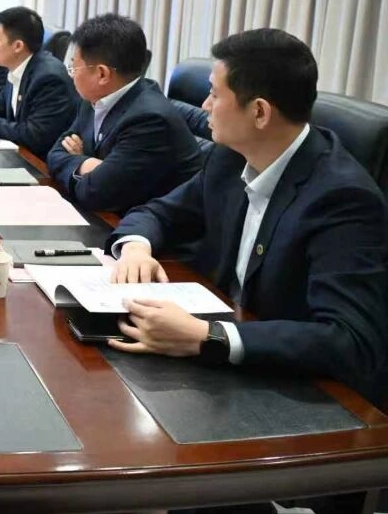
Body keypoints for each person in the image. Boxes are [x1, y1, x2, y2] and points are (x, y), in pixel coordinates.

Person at [108, 28, 388, 408]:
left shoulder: (342, 199)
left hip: (294, 394)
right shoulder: (230, 157)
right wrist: (136, 248)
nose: (204, 105)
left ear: (259, 112)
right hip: (219, 365)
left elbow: (350, 341)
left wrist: (208, 336)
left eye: (214, 94)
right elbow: (159, 211)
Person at [45, 14, 203, 213]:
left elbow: (96, 193)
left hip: (144, 225)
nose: (72, 74)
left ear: (102, 74)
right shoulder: (93, 98)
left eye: (74, 67)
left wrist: (83, 164)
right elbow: (55, 153)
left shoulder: (150, 120)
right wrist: (87, 164)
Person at [0, 6, 78, 158]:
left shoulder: (49, 78)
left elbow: (34, 135)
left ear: (17, 46)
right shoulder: (19, 66)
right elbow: (0, 105)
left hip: (40, 163)